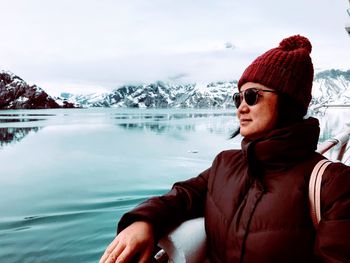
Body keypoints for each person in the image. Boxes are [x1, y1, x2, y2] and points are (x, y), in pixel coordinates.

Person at [99, 35, 350, 263]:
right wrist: (143, 221)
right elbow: (183, 195)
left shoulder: (333, 184)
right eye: (237, 98)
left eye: (252, 96)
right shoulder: (225, 165)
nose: (241, 107)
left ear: (288, 102)